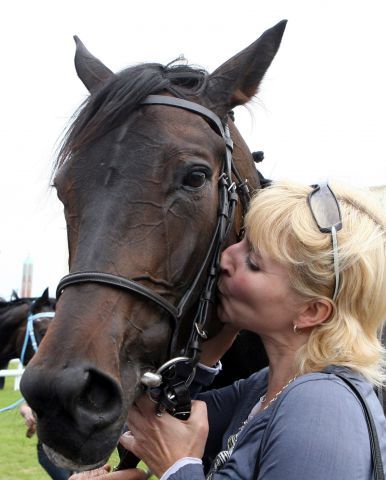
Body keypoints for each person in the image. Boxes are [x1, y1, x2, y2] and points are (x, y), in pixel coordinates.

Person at [70, 181, 386, 479]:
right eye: (242, 240)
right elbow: (152, 421)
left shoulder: (322, 407)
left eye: (253, 262)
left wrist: (178, 468)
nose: (226, 257)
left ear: (311, 311)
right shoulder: (264, 388)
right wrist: (210, 344)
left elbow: (172, 449)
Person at [20, 402, 72, 480]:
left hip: (78, 447)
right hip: (49, 450)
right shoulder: (42, 390)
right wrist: (27, 411)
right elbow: (24, 406)